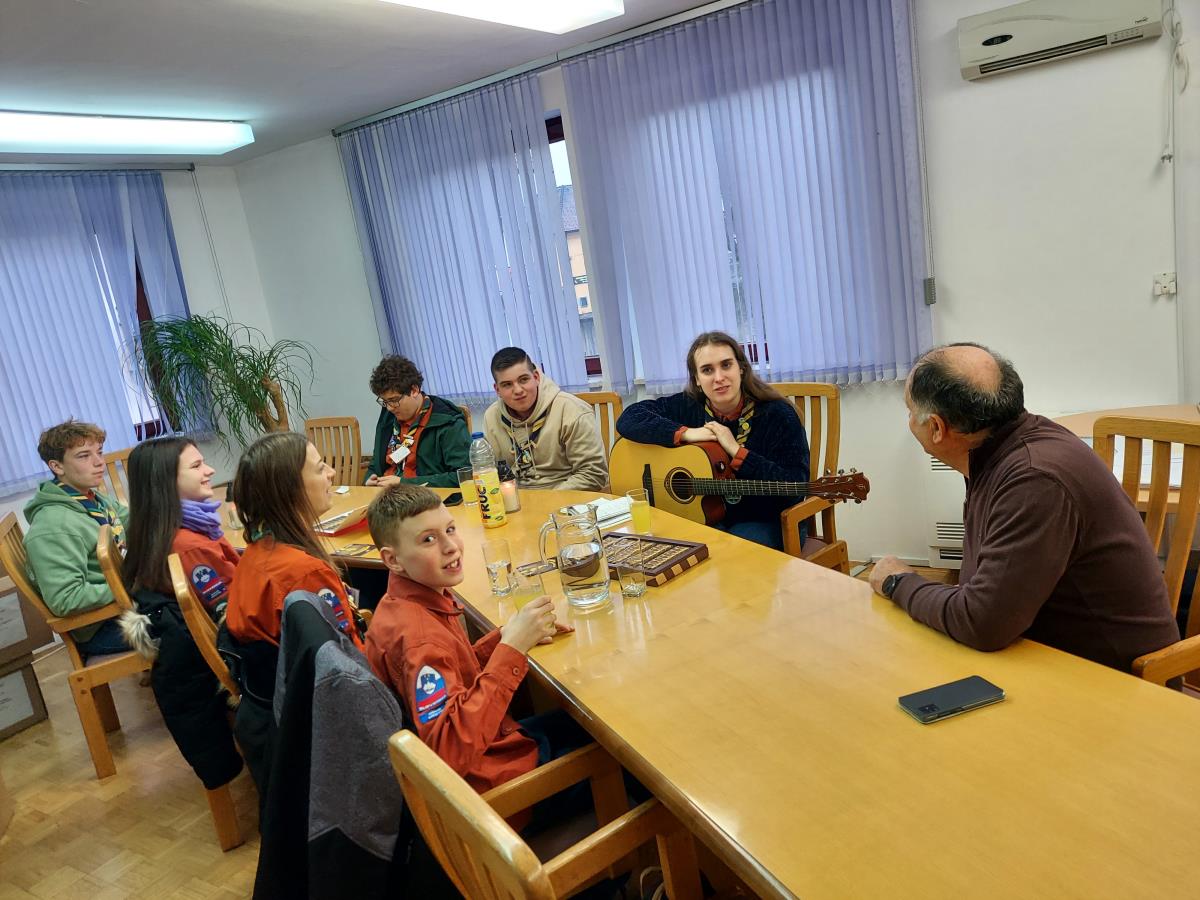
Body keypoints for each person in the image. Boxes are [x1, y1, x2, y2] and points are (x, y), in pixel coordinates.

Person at [870, 342, 1180, 671]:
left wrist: (898, 582)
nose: (909, 420)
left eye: (909, 412)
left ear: (936, 428)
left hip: (1121, 681)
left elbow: (982, 623)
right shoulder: (1005, 449)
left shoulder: (1034, 479)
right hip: (1053, 654)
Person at [363, 484, 577, 806]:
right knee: (616, 750)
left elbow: (454, 672)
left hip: (494, 750)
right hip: (491, 790)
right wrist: (512, 649)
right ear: (393, 560)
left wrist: (507, 637)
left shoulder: (409, 603)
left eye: (450, 529)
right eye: (428, 539)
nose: (451, 547)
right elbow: (451, 750)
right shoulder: (419, 640)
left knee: (572, 722)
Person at [118, 436, 243, 791]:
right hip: (233, 653)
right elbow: (234, 609)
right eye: (197, 466)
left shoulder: (174, 529)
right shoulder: (187, 546)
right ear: (166, 482)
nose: (210, 470)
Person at [616, 331, 810, 550]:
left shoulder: (778, 414)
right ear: (697, 380)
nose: (718, 378)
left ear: (741, 368)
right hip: (708, 519)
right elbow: (629, 418)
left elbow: (795, 487)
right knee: (655, 545)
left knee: (721, 551)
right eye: (707, 370)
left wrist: (738, 452)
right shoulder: (688, 405)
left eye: (726, 365)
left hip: (769, 521)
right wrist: (685, 433)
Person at [225, 431, 364, 652]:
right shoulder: (306, 573)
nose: (332, 473)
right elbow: (346, 655)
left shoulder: (255, 550)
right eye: (320, 468)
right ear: (290, 489)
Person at [23, 420, 130, 658]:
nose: (99, 462)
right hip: (103, 626)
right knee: (190, 617)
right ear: (56, 466)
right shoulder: (53, 526)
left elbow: (129, 522)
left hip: (121, 605)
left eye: (99, 452)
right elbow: (65, 599)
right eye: (84, 456)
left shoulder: (90, 499)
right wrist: (130, 586)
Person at [482, 347, 608, 491]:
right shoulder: (491, 416)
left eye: (524, 380)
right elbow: (489, 473)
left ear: (536, 377)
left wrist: (546, 500)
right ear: (497, 390)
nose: (518, 390)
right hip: (515, 499)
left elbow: (592, 474)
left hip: (566, 498)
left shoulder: (571, 409)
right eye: (507, 384)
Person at [365, 355, 471, 488]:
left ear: (414, 390)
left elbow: (464, 476)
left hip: (423, 496)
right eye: (384, 401)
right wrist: (369, 479)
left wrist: (404, 483)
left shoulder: (448, 421)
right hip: (385, 495)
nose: (390, 408)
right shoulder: (388, 419)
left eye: (394, 400)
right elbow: (375, 465)